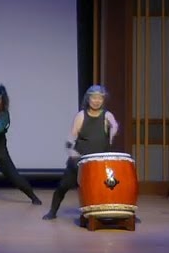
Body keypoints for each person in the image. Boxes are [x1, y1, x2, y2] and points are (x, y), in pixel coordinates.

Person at [43, 84, 121, 219]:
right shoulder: (81, 116)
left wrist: (113, 130)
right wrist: (73, 154)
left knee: (111, 186)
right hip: (80, 160)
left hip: (100, 162)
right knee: (63, 186)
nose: (96, 101)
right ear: (88, 99)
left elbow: (114, 126)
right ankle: (53, 211)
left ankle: (119, 213)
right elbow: (70, 138)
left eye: (100, 98)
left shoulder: (107, 116)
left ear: (103, 100)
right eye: (93, 98)